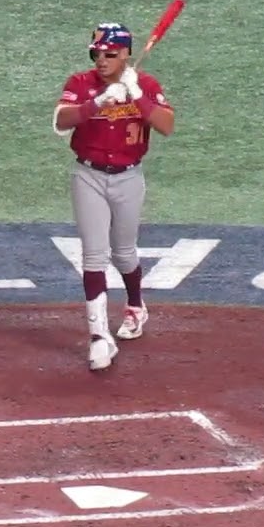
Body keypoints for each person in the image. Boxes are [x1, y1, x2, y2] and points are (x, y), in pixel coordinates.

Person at [52, 22, 175, 371]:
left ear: (125, 55)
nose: (101, 60)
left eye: (110, 54)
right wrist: (97, 102)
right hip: (88, 175)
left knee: (123, 253)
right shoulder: (80, 83)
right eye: (97, 53)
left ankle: (135, 305)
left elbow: (166, 126)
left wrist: (136, 95)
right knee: (93, 255)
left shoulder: (145, 85)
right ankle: (99, 336)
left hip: (129, 178)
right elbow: (61, 121)